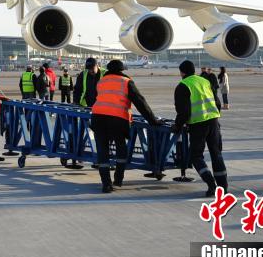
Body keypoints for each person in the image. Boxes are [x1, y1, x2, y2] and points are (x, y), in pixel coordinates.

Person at [91, 59, 161, 193]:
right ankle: (118, 180)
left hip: (98, 118)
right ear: (121, 70)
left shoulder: (101, 81)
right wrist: (153, 120)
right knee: (121, 150)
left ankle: (106, 184)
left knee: (102, 152)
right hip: (117, 120)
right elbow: (141, 103)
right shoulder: (126, 82)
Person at [173, 60, 227, 197]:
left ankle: (211, 185)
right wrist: (215, 116)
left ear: (182, 72)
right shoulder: (205, 81)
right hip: (214, 121)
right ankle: (223, 188)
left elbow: (183, 112)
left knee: (196, 156)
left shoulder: (183, 86)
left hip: (198, 124)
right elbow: (217, 102)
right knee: (216, 153)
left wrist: (177, 126)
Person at [64, 58, 102, 169]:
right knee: (81, 132)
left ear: (97, 65)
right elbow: (77, 89)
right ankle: (79, 156)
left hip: (100, 108)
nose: (90, 71)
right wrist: (75, 102)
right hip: (86, 108)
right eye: (88, 69)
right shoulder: (83, 74)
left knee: (99, 134)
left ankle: (99, 158)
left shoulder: (104, 73)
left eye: (92, 68)